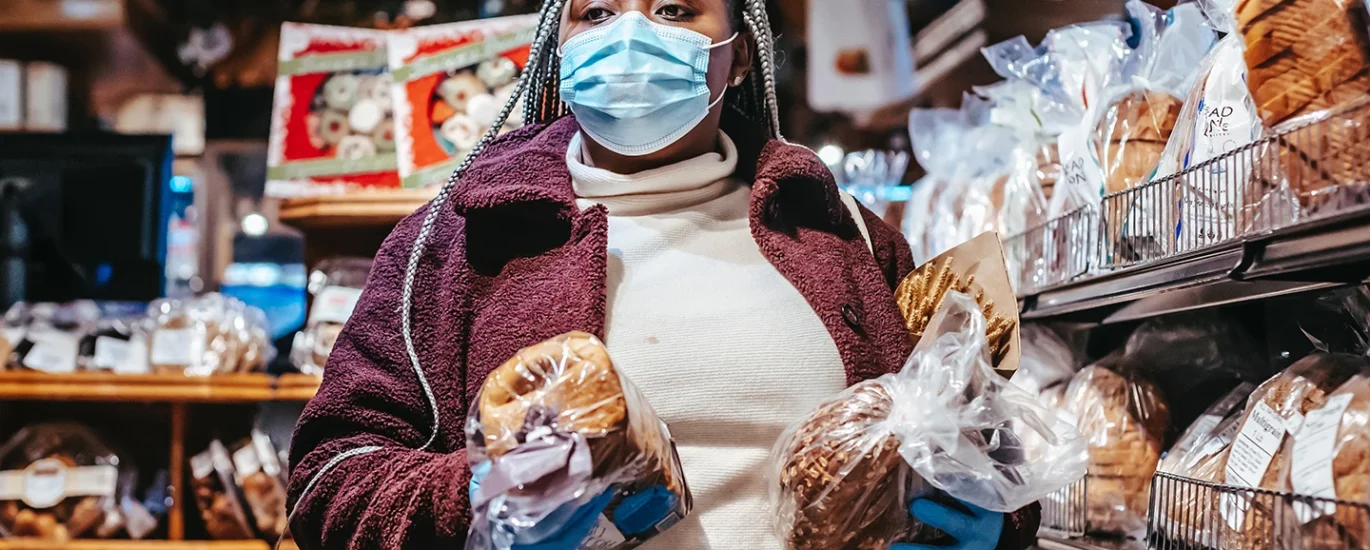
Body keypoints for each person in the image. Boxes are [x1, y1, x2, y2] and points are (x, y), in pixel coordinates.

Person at [285, 0, 1042, 548]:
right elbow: (330, 474)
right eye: (596, 13)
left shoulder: (844, 235)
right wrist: (475, 498)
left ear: (740, 55)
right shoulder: (456, 239)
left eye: (676, 10)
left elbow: (980, 443)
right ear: (557, 45)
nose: (631, 36)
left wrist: (991, 518)